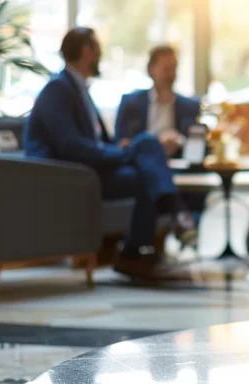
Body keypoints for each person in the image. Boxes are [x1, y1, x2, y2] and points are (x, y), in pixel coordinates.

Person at [24, 28, 197, 280]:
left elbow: (93, 141)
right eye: (98, 50)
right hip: (73, 174)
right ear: (87, 51)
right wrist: (117, 153)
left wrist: (117, 148)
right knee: (147, 144)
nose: (100, 57)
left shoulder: (77, 88)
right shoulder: (58, 89)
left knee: (145, 169)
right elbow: (70, 147)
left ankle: (138, 251)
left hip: (90, 167)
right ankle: (171, 215)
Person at [114, 45, 206, 218]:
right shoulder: (131, 103)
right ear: (151, 69)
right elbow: (120, 142)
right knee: (147, 145)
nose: (170, 74)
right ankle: (179, 214)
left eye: (174, 68)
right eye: (165, 68)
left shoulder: (190, 106)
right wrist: (156, 144)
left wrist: (180, 142)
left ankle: (179, 213)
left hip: (178, 164)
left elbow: (198, 145)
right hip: (143, 166)